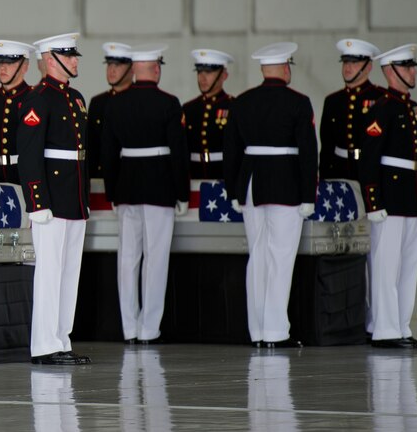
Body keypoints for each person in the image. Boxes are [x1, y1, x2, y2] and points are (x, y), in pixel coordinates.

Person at [223, 42, 316, 349]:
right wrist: (308, 195)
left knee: (258, 257)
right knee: (280, 258)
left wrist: (233, 190)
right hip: (286, 184)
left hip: (251, 185)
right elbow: (307, 153)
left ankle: (259, 331)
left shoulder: (243, 102)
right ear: (285, 68)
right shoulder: (299, 102)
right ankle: (276, 332)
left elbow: (231, 151)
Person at [100, 43, 189, 344]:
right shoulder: (169, 103)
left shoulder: (116, 105)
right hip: (160, 188)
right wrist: (182, 193)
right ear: (156, 69)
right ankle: (149, 328)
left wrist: (112, 192)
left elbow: (109, 155)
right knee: (155, 259)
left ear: (134, 70)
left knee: (127, 260)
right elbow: (179, 153)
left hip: (126, 187)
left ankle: (129, 328)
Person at [18, 32, 91, 365]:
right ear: (50, 59)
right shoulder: (38, 98)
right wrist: (37, 201)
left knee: (68, 273)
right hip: (51, 197)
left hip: (73, 196)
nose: (75, 60)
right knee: (49, 272)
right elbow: (30, 154)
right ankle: (44, 345)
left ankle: (62, 339)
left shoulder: (75, 97)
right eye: (69, 55)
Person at [359, 44, 417, 349]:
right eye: (407, 66)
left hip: (410, 195)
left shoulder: (412, 108)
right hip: (389, 197)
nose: (413, 71)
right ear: (390, 71)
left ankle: (401, 326)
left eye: (412, 66)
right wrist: (373, 202)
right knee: (386, 265)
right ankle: (384, 330)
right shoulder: (381, 109)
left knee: (408, 265)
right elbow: (369, 159)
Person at [319, 38, 383, 181]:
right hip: (338, 172)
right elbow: (326, 147)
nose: (348, 67)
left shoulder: (380, 99)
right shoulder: (332, 101)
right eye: (346, 62)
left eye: (354, 63)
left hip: (369, 171)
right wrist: (323, 179)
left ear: (368, 67)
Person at [0, 40, 34, 183]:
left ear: (25, 67)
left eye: (9, 63)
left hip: (24, 178)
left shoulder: (35, 100)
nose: (3, 67)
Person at [184, 49, 234, 179]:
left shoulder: (234, 106)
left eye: (209, 72)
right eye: (199, 71)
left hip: (223, 176)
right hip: (195, 175)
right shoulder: (189, 108)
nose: (202, 77)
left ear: (224, 75)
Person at [86, 42, 134, 178]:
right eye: (109, 64)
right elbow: (92, 145)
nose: (111, 70)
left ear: (132, 68)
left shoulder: (140, 101)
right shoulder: (98, 102)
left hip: (132, 176)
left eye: (118, 65)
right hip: (102, 177)